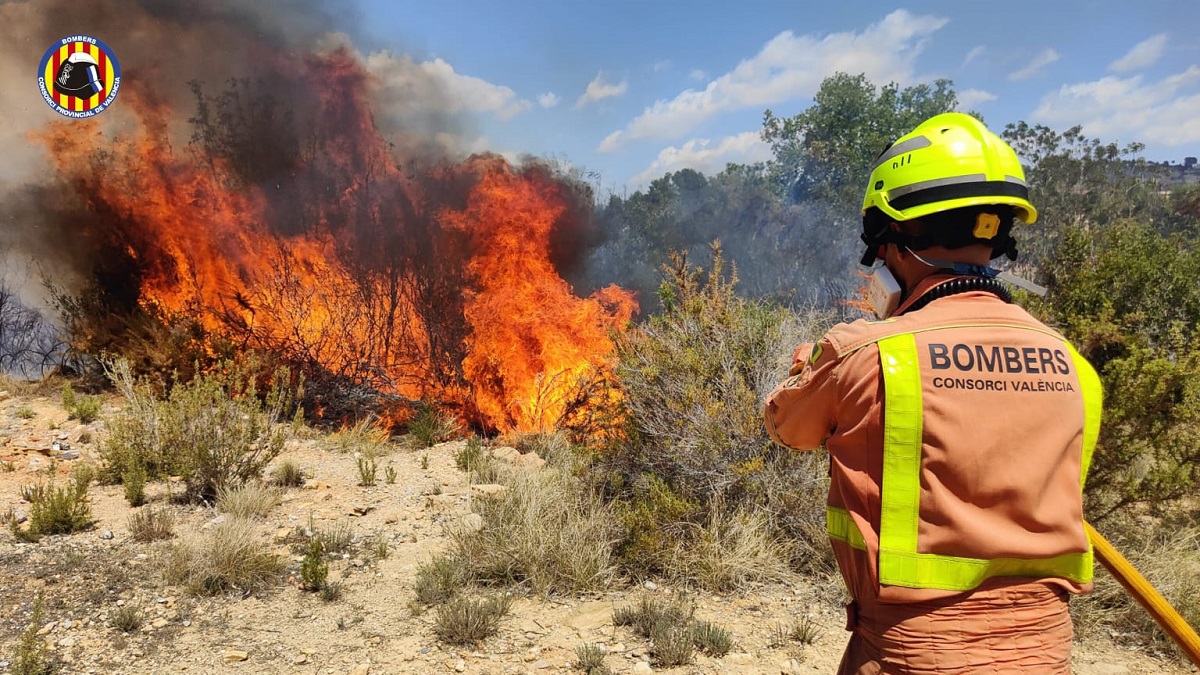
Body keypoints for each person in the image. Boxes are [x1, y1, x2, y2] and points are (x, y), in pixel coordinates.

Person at [763, 113, 1103, 674]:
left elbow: (786, 427)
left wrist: (811, 363)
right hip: (1044, 652)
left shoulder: (866, 353)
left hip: (912, 652)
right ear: (996, 237)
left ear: (894, 241)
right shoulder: (1074, 365)